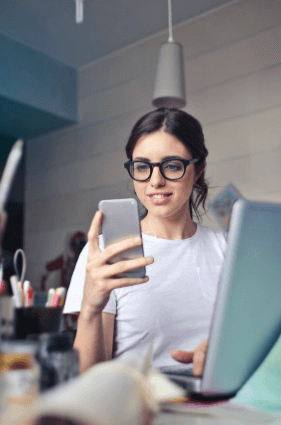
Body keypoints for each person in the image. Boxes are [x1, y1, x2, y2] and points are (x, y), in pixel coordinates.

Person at [63, 107, 227, 375]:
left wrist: (224, 355)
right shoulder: (106, 253)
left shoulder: (228, 249)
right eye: (142, 167)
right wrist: (90, 308)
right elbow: (89, 379)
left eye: (172, 165)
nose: (155, 181)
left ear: (198, 170)